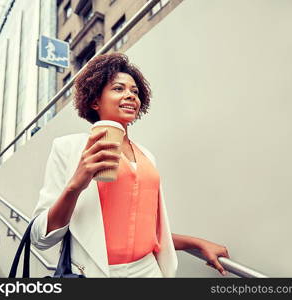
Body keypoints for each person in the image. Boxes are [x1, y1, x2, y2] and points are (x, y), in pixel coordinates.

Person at [30, 52, 230, 278]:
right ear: (95, 101)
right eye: (118, 89)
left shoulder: (147, 157)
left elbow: (148, 234)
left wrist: (197, 243)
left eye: (134, 91)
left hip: (149, 271)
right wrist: (76, 184)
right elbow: (40, 237)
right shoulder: (68, 148)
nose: (130, 96)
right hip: (97, 274)